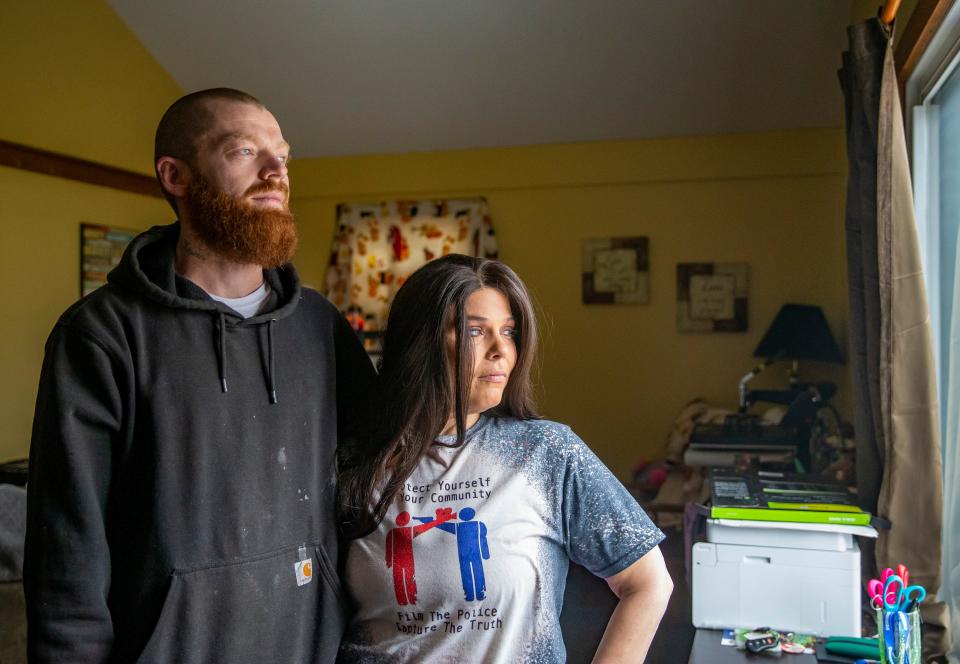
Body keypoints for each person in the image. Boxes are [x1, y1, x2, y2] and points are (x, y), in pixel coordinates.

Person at [23, 88, 374, 663]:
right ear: (175, 176)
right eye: (244, 151)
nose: (276, 172)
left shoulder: (321, 328)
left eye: (282, 156)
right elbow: (67, 557)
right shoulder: (103, 336)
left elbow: (384, 482)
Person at [337, 255, 673, 663]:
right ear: (421, 343)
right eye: (475, 331)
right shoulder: (354, 462)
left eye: (509, 332)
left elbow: (649, 582)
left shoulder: (546, 454)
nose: (501, 350)